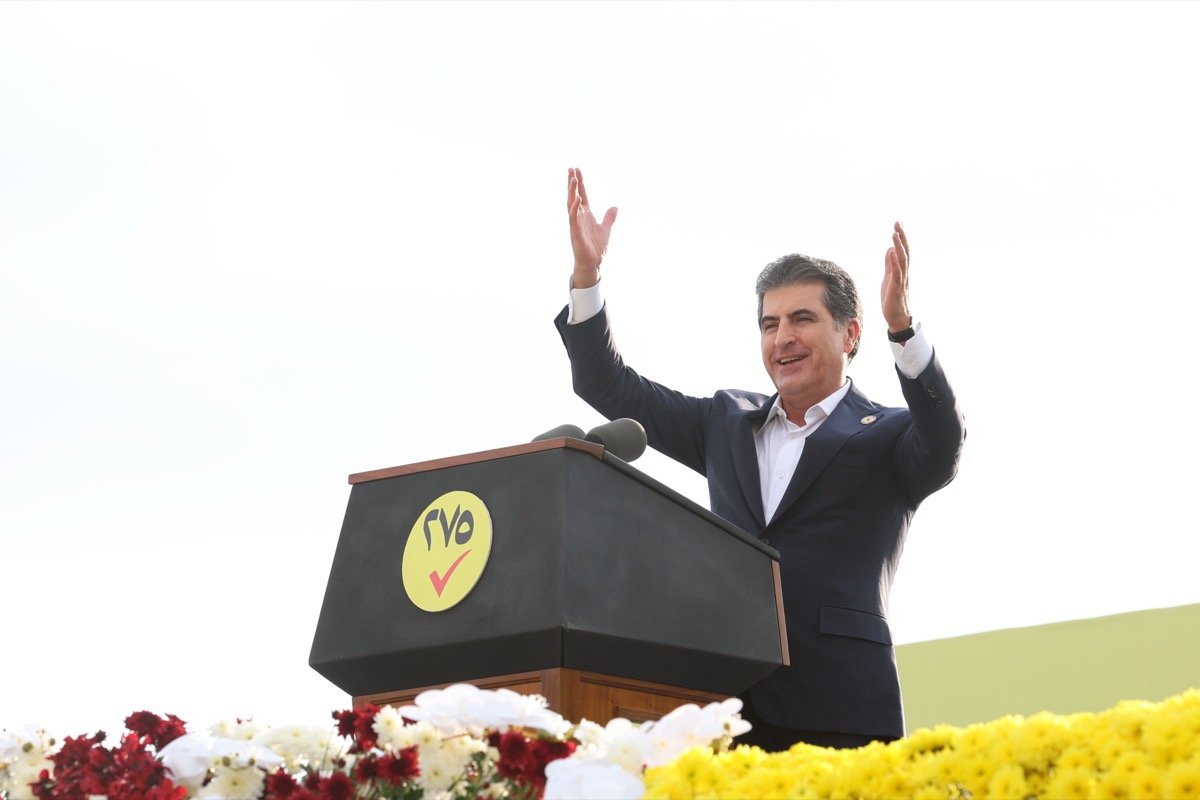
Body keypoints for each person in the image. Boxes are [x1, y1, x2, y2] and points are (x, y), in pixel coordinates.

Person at [554, 167, 966, 751]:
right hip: (727, 709)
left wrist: (904, 331)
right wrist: (587, 275)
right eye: (770, 324)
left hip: (842, 709)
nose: (782, 338)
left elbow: (944, 438)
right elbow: (609, 385)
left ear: (851, 335)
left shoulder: (890, 434)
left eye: (802, 319)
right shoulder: (724, 422)